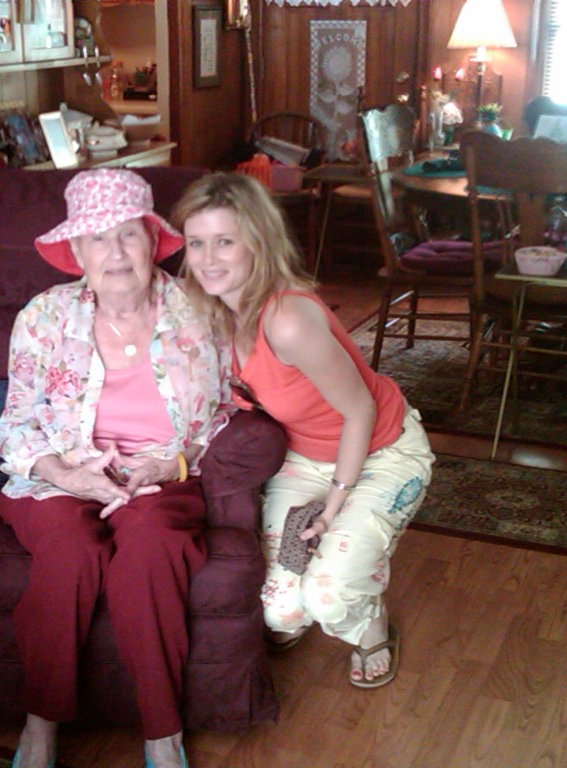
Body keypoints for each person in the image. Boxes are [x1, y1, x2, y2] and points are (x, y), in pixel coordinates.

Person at [0, 169, 227, 768]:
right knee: (70, 550)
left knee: (150, 549)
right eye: (97, 238)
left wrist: (169, 465)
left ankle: (162, 734)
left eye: (128, 234)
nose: (116, 252)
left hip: (163, 475)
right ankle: (41, 725)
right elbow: (15, 421)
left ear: (154, 241)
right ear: (76, 252)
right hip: (59, 476)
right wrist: (66, 475)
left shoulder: (200, 311)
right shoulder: (43, 317)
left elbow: (227, 409)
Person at [173, 172, 435, 689]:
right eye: (196, 243)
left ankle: (368, 621)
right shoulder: (211, 311)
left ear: (258, 241)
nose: (207, 259)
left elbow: (359, 411)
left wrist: (334, 505)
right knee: (279, 612)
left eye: (224, 241)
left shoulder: (287, 320)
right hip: (304, 458)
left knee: (328, 597)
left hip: (382, 450)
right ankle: (331, 583)